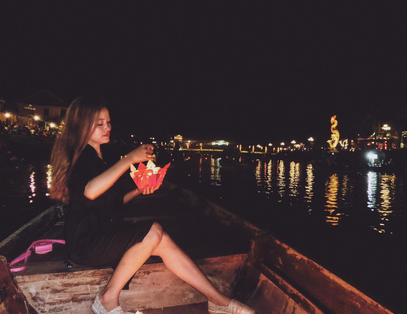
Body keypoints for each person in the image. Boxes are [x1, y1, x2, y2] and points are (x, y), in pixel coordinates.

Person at [50, 96, 255, 314]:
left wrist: (139, 190)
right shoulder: (81, 158)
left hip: (104, 232)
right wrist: (129, 159)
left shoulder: (102, 158)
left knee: (161, 239)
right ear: (80, 126)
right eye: (99, 123)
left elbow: (113, 202)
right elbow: (90, 192)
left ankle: (217, 300)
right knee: (153, 231)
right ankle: (108, 298)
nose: (107, 127)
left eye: (108, 121)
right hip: (86, 243)